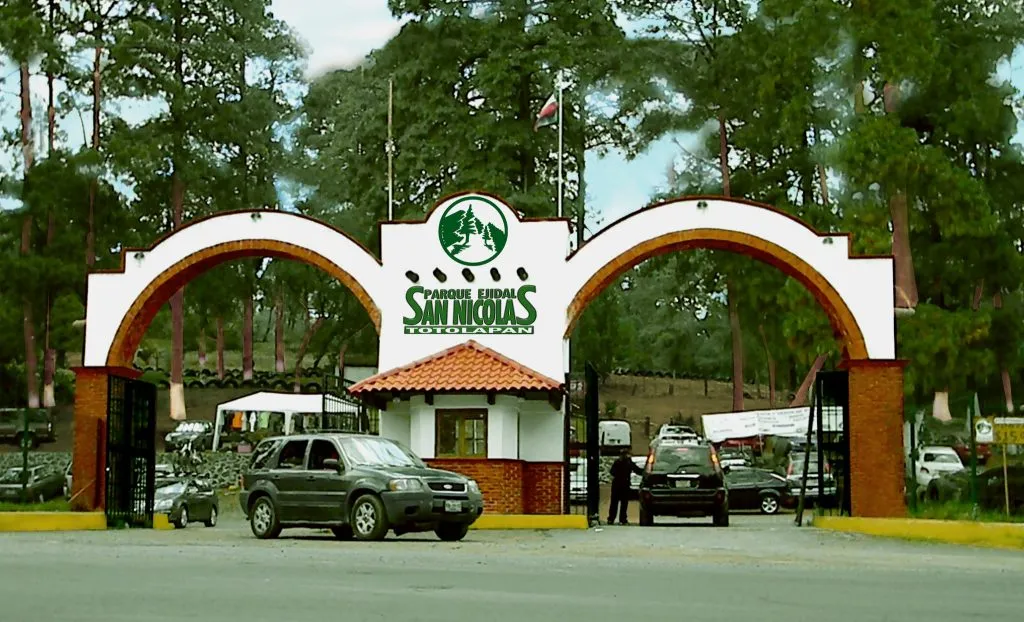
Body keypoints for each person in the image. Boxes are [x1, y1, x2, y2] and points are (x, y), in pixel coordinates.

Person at [608, 448, 645, 525]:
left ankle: (611, 519)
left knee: (614, 503)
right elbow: (637, 470)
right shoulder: (628, 462)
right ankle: (622, 519)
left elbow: (612, 472)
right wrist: (645, 472)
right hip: (624, 484)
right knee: (623, 503)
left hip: (617, 484)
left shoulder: (618, 462)